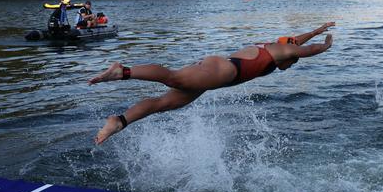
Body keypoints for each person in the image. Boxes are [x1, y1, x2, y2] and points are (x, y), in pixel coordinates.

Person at [88, 22, 335, 144]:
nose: (291, 63)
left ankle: (119, 121)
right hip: (223, 71)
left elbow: (297, 42)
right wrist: (322, 46)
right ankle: (123, 71)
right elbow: (302, 49)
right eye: (292, 60)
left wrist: (314, 32)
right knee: (174, 77)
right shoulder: (280, 52)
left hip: (216, 76)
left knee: (164, 103)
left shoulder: (278, 46)